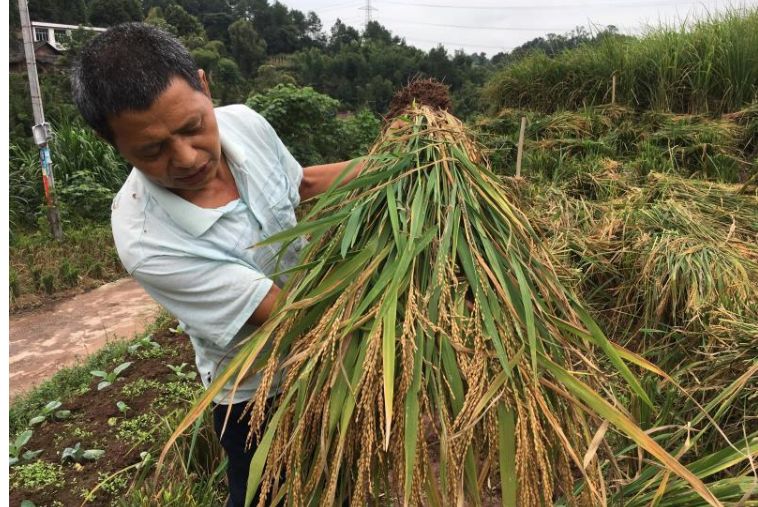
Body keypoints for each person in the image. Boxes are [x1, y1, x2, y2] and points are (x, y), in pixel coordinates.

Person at [71, 22, 362, 507]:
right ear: (113, 143)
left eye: (192, 128)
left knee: (334, 482)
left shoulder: (245, 121)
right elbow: (287, 316)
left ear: (205, 87)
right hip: (257, 393)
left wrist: (406, 159)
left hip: (329, 358)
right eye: (152, 150)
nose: (186, 157)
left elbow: (302, 186)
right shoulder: (146, 239)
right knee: (264, 496)